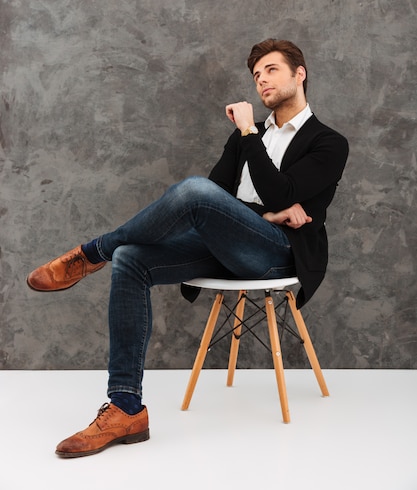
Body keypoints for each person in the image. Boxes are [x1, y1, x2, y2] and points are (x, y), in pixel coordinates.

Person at [27, 39, 349, 458]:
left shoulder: (327, 142)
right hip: (229, 244)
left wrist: (251, 138)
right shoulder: (246, 139)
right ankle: (125, 407)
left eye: (271, 70)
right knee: (132, 259)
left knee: (193, 190)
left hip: (275, 255)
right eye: (256, 75)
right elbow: (216, 199)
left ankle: (92, 253)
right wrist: (266, 210)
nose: (262, 81)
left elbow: (276, 191)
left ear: (299, 73)